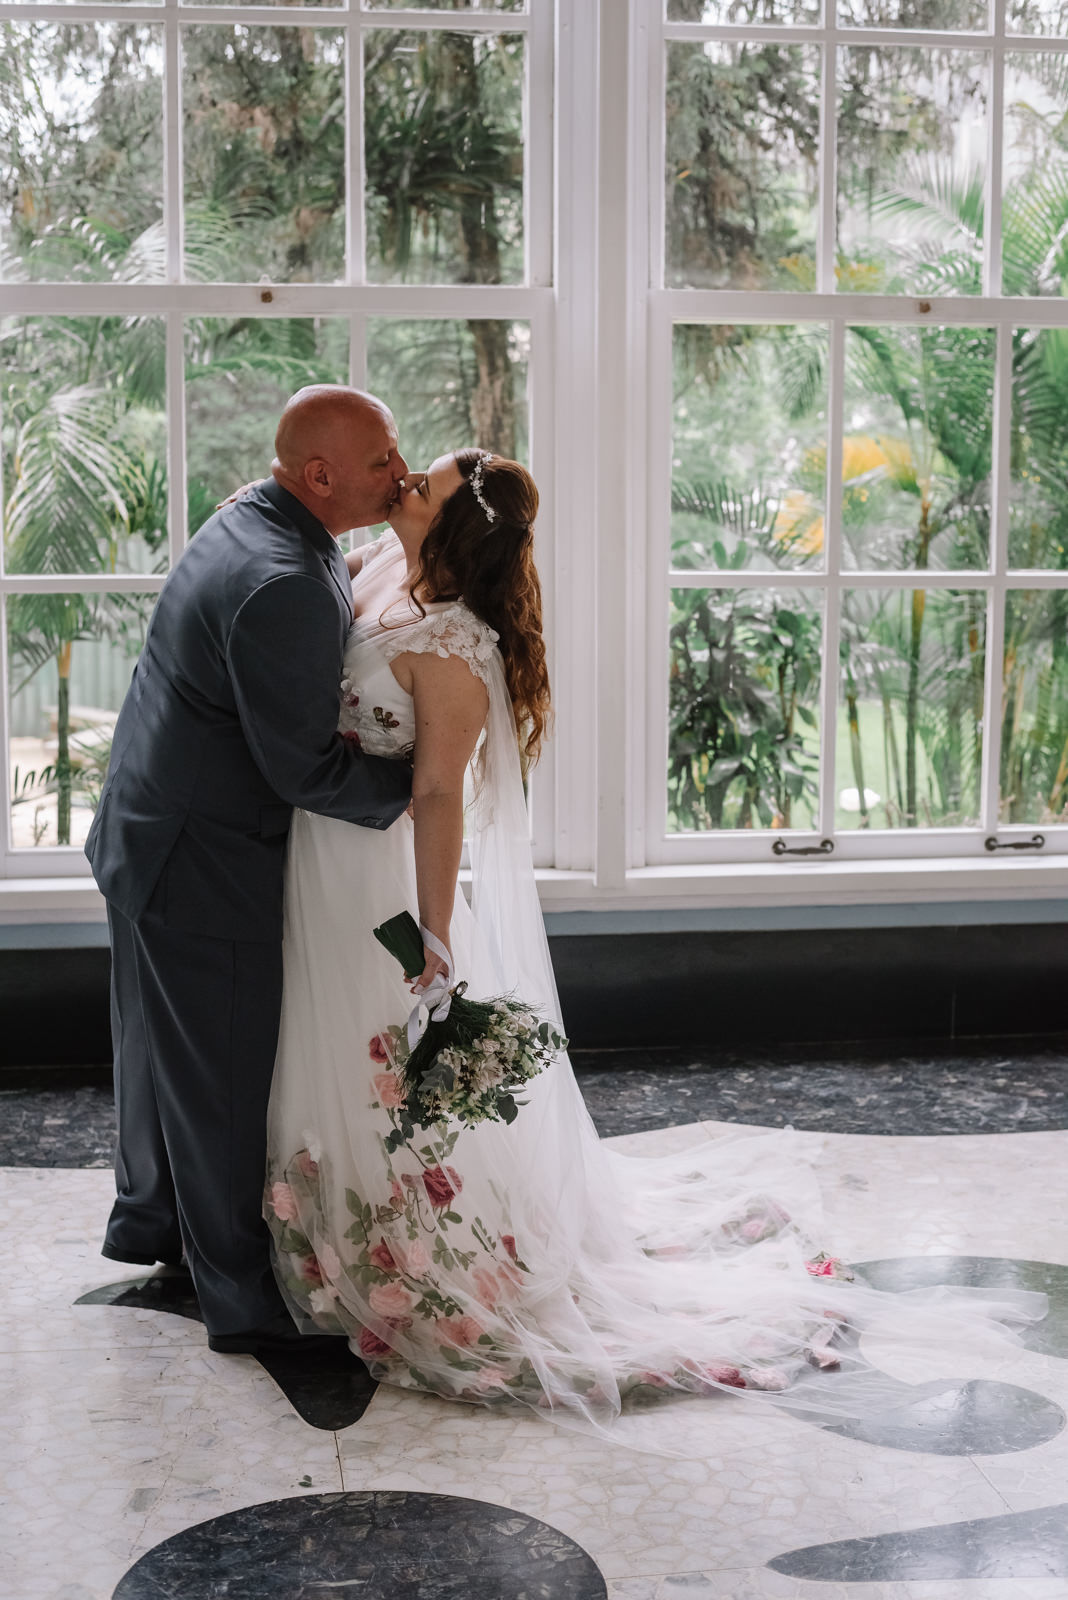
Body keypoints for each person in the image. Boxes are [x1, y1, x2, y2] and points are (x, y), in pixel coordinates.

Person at [265, 448, 1045, 1431]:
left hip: (374, 883)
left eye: (426, 487)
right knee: (327, 1036)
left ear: (453, 532)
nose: (406, 482)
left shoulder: (455, 644)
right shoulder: (382, 567)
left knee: (383, 1045)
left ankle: (393, 1236)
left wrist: (433, 931)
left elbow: (436, 797)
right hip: (313, 859)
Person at [86, 386, 414, 1354]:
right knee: (221, 1077)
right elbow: (302, 766)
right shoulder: (284, 581)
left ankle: (152, 1226)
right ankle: (237, 1295)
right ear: (320, 475)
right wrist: (424, 781)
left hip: (149, 825)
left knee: (161, 1058)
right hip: (202, 855)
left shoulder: (251, 513)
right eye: (383, 458)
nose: (400, 470)